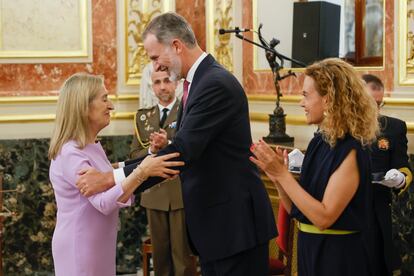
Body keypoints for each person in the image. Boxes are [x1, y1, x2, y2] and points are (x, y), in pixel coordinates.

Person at [76, 12, 277, 275]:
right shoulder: (199, 83)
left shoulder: (214, 84)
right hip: (219, 228)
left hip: (233, 227)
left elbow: (180, 152)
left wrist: (109, 179)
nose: (156, 67)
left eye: (155, 57)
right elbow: (173, 151)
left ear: (176, 46)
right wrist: (122, 168)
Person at [250, 58, 380, 276]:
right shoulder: (319, 142)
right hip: (311, 248)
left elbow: (323, 217)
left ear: (328, 100)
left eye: (306, 95)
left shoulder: (351, 149)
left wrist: (283, 175)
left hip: (339, 257)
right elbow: (298, 210)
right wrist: (277, 177)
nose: (302, 103)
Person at [48, 73, 183, 276]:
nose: (111, 105)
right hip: (80, 246)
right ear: (84, 107)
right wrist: (142, 172)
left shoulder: (90, 145)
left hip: (98, 243)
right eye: (104, 99)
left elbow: (112, 173)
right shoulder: (70, 152)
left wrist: (150, 157)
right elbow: (103, 202)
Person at [130, 70, 194, 276]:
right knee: (160, 257)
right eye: (157, 82)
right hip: (154, 193)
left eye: (167, 81)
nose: (162, 86)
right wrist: (152, 150)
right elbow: (134, 155)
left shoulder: (187, 111)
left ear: (176, 84)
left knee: (182, 256)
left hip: (180, 192)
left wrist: (168, 143)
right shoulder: (143, 117)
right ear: (152, 87)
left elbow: (193, 147)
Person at [362, 74, 412, 275]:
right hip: (345, 208)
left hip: (378, 208)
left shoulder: (394, 127)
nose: (374, 108)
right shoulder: (342, 126)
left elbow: (403, 167)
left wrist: (399, 179)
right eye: (369, 102)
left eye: (378, 103)